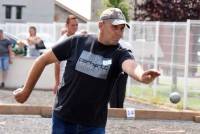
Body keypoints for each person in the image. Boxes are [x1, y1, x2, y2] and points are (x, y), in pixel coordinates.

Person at [13, 8, 160, 134]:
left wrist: (142, 76)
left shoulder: (120, 53)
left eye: (122, 28)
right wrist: (26, 91)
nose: (119, 33)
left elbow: (131, 65)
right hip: (64, 119)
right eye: (115, 27)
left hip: (93, 126)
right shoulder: (78, 41)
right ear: (101, 25)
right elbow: (42, 60)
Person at [53, 15, 78, 94]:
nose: (75, 27)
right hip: (64, 79)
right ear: (67, 25)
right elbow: (57, 63)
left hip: (74, 79)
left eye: (76, 25)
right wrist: (57, 83)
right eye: (73, 25)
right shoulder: (62, 42)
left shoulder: (77, 38)